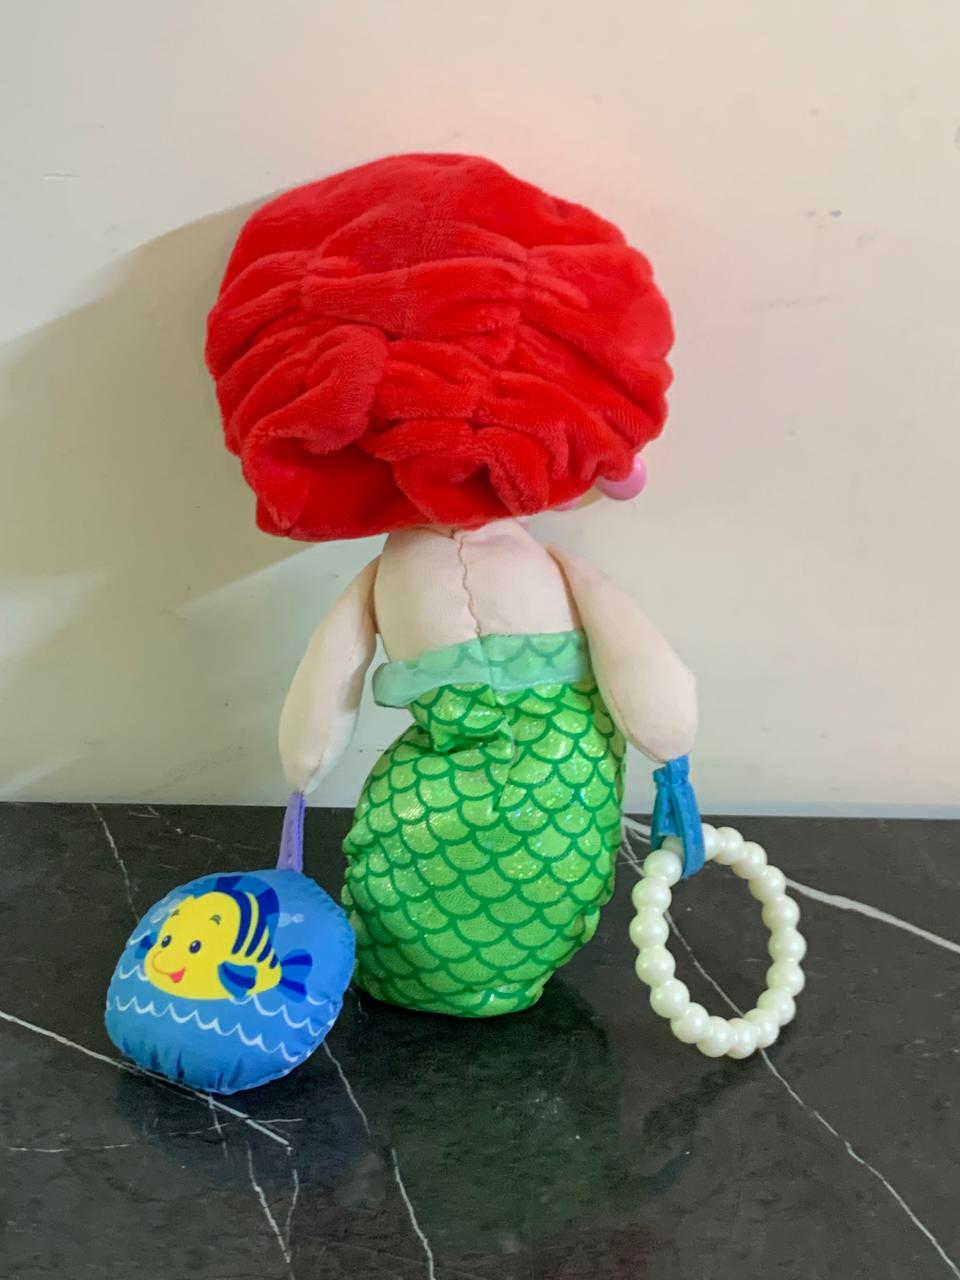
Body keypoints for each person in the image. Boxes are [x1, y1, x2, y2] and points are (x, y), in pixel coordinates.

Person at [206, 153, 696, 1017]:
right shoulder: (477, 570)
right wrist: (669, 748)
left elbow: (325, 690)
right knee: (431, 859)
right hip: (524, 784)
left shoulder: (466, 571)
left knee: (486, 858)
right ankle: (411, 964)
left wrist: (304, 768)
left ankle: (468, 966)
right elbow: (329, 679)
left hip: (555, 786)